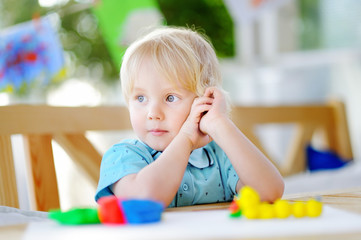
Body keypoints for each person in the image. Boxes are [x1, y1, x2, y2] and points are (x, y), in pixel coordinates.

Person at [95, 26, 284, 207]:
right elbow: (144, 199)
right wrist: (185, 139)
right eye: (140, 98)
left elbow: (270, 191)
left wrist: (219, 124)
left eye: (170, 97)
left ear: (203, 101)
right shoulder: (123, 156)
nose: (153, 113)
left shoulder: (219, 157)